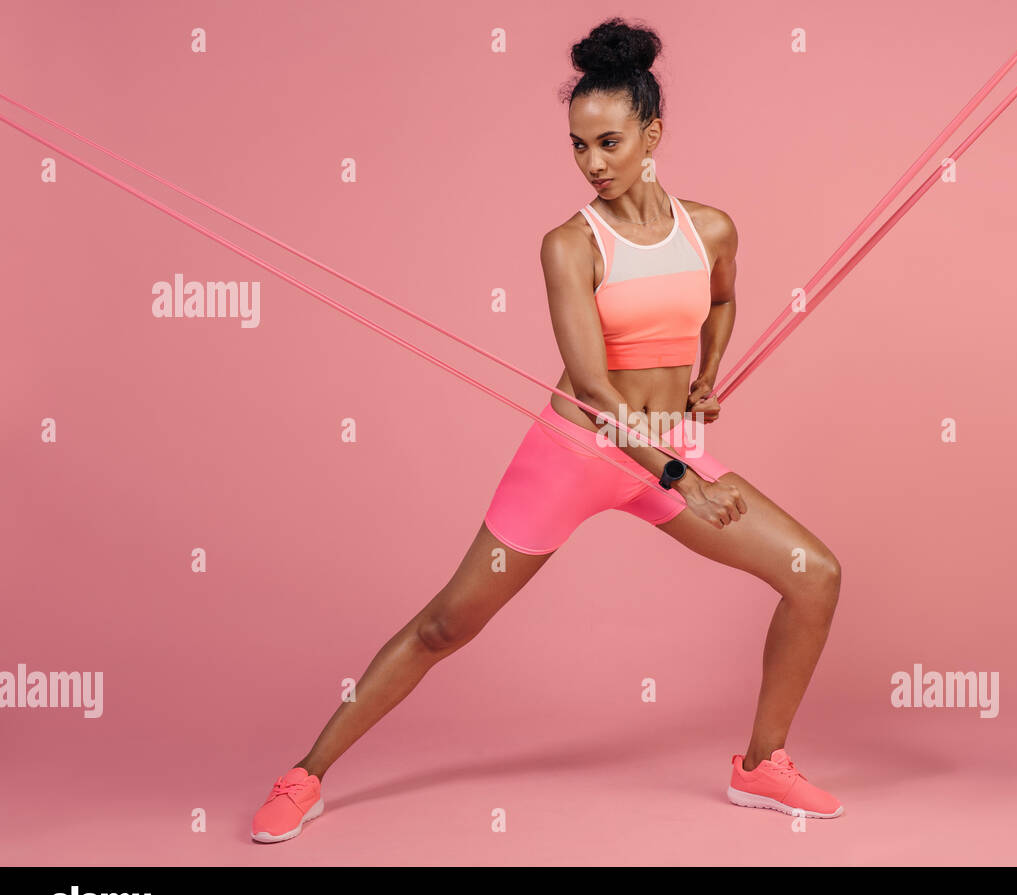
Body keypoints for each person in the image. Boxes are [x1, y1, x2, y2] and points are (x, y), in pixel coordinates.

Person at [251, 16, 843, 844]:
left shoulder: (710, 228)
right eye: (578, 147)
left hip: (670, 444)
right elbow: (598, 389)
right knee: (444, 626)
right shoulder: (570, 244)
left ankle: (760, 766)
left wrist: (707, 378)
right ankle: (305, 775)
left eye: (608, 142)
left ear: (652, 135)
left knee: (815, 574)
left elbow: (721, 299)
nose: (592, 164)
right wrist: (681, 480)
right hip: (581, 452)